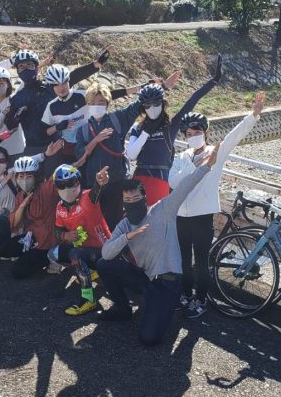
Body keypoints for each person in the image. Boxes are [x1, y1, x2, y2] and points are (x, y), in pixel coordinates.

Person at [96, 147, 220, 346]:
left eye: (136, 199)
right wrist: (127, 236)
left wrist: (207, 166)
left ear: (145, 198)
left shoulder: (163, 209)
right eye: (127, 200)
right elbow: (106, 253)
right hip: (145, 277)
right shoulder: (125, 225)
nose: (131, 203)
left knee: (149, 338)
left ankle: (165, 307)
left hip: (168, 282)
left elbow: (185, 187)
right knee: (104, 264)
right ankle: (122, 308)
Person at [171, 92, 263, 318]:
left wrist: (254, 114)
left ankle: (200, 299)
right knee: (182, 258)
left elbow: (235, 135)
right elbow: (172, 182)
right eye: (189, 133)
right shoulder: (181, 157)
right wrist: (198, 166)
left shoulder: (216, 152)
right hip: (180, 215)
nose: (193, 136)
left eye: (198, 132)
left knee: (201, 261)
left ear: (206, 133)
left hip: (203, 216)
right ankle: (184, 294)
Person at [74, 72, 181, 228]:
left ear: (108, 103)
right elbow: (79, 157)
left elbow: (138, 105)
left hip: (117, 183)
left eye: (102, 102)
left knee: (117, 223)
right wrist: (95, 141)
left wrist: (163, 87)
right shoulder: (82, 130)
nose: (98, 105)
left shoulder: (117, 119)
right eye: (94, 102)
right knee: (95, 224)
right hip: (93, 184)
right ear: (88, 103)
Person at [126, 56, 222, 206]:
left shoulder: (170, 125)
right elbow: (131, 155)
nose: (152, 108)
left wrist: (214, 80)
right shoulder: (138, 128)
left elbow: (192, 100)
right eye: (147, 105)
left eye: (156, 103)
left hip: (161, 182)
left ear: (163, 103)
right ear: (143, 107)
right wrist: (146, 132)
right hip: (138, 181)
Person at [5, 47, 112, 158]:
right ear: (17, 71)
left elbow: (72, 77)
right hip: (31, 149)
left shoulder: (50, 86)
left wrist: (96, 64)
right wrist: (16, 117)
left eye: (29, 65)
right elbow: (9, 125)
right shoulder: (16, 98)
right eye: (21, 67)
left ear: (37, 67)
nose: (26, 69)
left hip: (57, 146)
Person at [41, 64, 138, 167]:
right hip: (69, 149)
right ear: (51, 86)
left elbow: (110, 94)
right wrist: (57, 127)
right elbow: (44, 132)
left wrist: (139, 88)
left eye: (64, 82)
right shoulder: (51, 107)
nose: (61, 87)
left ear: (69, 80)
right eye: (56, 84)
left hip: (90, 141)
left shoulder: (82, 95)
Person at [50, 164, 111, 316]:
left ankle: (88, 300)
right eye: (61, 185)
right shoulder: (60, 208)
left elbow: (97, 191)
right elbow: (57, 231)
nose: (67, 188)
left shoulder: (87, 197)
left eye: (72, 183)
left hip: (104, 252)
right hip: (84, 251)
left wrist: (100, 182)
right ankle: (90, 273)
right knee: (53, 254)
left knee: (75, 255)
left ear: (79, 182)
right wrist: (65, 236)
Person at [8, 140, 66, 278]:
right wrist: (22, 206)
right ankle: (30, 255)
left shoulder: (46, 188)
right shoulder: (21, 195)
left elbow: (61, 176)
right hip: (31, 237)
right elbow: (14, 223)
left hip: (47, 241)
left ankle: (50, 258)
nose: (25, 179)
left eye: (29, 176)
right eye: (21, 176)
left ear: (36, 177)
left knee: (17, 272)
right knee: (6, 248)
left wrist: (76, 163)